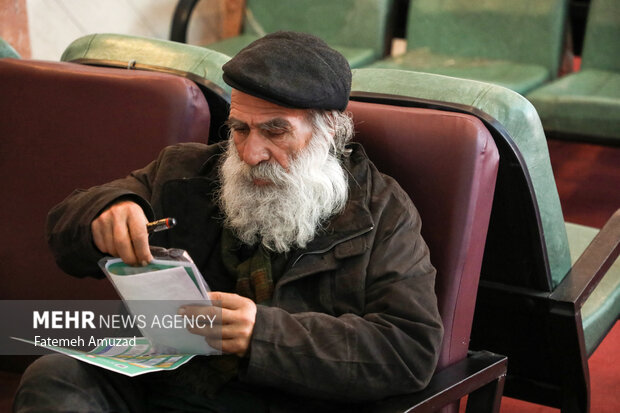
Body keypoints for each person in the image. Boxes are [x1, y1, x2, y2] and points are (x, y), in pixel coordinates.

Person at [14, 31, 443, 412]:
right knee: (56, 374)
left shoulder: (382, 211)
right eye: (240, 129)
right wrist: (105, 212)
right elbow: (62, 232)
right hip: (165, 385)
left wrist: (262, 333)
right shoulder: (186, 170)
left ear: (329, 130)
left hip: (288, 396)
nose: (250, 153)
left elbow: (408, 350)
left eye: (275, 132)